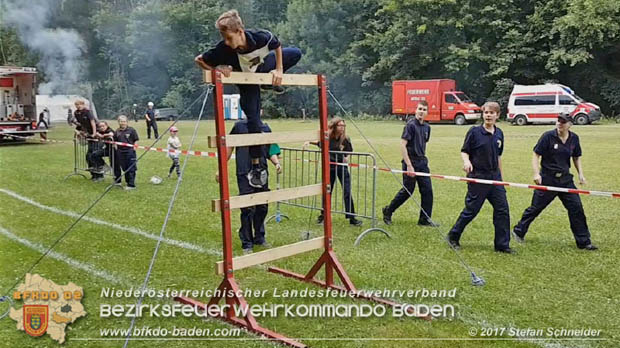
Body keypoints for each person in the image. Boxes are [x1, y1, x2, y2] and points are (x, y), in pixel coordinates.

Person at [195, 9, 301, 189]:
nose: (227, 42)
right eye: (224, 38)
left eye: (229, 37)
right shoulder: (223, 49)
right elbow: (199, 60)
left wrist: (280, 69)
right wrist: (219, 68)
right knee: (254, 121)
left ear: (240, 31)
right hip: (246, 81)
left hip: (262, 67)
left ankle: (268, 83)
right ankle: (256, 166)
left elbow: (277, 44)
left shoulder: (261, 37)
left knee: (296, 52)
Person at [512, 113, 598, 250]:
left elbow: (576, 157)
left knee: (576, 209)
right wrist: (536, 173)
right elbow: (536, 154)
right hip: (547, 179)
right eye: (558, 121)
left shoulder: (574, 138)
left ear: (570, 124)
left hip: (565, 180)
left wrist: (581, 174)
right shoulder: (548, 136)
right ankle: (518, 231)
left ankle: (584, 242)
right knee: (535, 208)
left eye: (563, 122)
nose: (559, 124)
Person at [447, 102, 514, 254]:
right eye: (486, 112)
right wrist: (467, 162)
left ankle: (502, 245)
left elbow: (498, 157)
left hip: (495, 178)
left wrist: (501, 179)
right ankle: (453, 236)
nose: (488, 115)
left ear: (497, 115)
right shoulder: (474, 132)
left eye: (491, 113)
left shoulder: (499, 133)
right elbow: (465, 151)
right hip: (478, 177)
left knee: (502, 210)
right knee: (472, 210)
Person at [216, 119, 282, 254]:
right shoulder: (239, 126)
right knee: (247, 208)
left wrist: (276, 163)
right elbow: (229, 147)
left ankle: (259, 237)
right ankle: (246, 242)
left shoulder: (265, 127)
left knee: (262, 206)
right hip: (244, 171)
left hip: (262, 172)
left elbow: (271, 149)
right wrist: (220, 168)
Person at [382, 101, 435, 227]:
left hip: (422, 162)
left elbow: (423, 143)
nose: (421, 111)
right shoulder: (410, 125)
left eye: (424, 109)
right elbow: (403, 145)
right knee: (408, 191)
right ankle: (388, 210)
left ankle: (424, 219)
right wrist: (409, 165)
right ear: (415, 110)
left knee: (427, 190)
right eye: (419, 109)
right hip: (410, 162)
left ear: (427, 112)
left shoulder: (427, 127)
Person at [304, 117, 363, 226]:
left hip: (342, 167)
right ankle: (323, 216)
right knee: (327, 192)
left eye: (343, 125)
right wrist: (309, 142)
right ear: (335, 126)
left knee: (347, 191)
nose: (342, 127)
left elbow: (349, 150)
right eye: (340, 125)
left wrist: (347, 158)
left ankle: (352, 218)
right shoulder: (328, 137)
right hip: (330, 168)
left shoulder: (345, 138)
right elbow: (319, 143)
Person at [73, 99, 102, 181]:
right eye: (77, 105)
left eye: (80, 104)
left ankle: (99, 176)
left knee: (93, 155)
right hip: (88, 135)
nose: (79, 106)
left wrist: (94, 133)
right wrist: (79, 132)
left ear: (83, 104)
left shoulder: (88, 112)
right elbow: (80, 124)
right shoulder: (76, 113)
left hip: (96, 135)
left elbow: (93, 122)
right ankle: (94, 175)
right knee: (89, 156)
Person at [113, 115, 139, 190]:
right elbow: (115, 141)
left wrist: (134, 148)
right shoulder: (117, 131)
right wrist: (116, 148)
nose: (123, 123)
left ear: (127, 122)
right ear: (119, 122)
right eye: (121, 121)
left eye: (124, 121)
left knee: (131, 168)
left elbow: (136, 140)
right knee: (124, 168)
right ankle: (128, 181)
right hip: (120, 152)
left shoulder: (131, 130)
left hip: (130, 151)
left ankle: (131, 185)